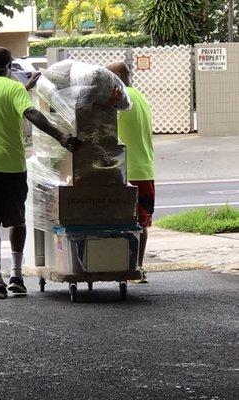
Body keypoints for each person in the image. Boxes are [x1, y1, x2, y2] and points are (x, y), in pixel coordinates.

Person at [0, 47, 82, 299]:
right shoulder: (14, 89)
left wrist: (25, 87)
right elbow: (30, 113)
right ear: (10, 67)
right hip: (9, 166)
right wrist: (61, 136)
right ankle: (16, 277)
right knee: (16, 220)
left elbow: (0, 98)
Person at [106, 62, 155, 283]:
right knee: (140, 222)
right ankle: (138, 268)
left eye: (108, 76)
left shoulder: (120, 100)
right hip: (145, 169)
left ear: (117, 76)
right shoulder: (141, 97)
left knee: (122, 222)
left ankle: (123, 267)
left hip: (125, 170)